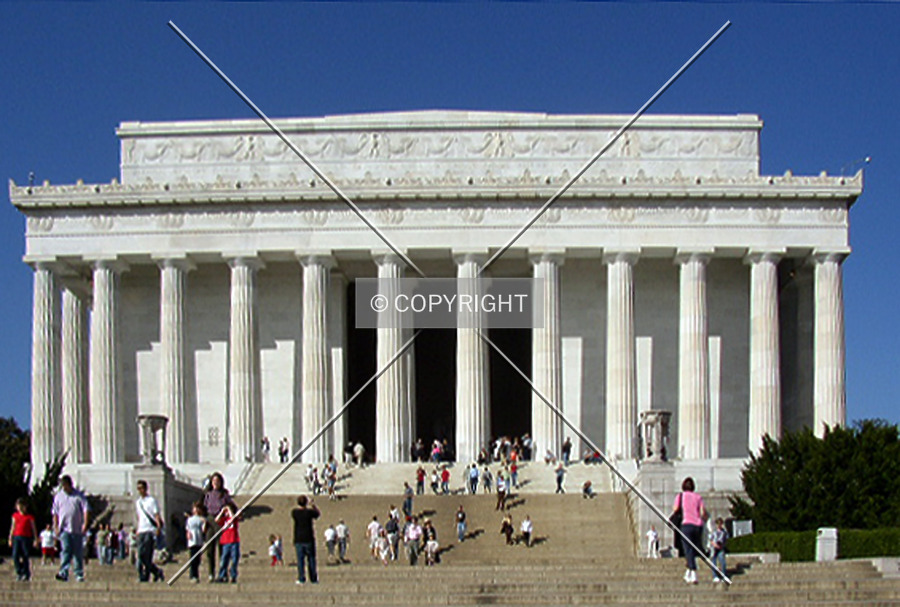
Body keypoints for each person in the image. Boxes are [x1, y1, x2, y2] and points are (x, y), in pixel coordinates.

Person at [52, 475, 89, 582]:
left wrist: (85, 524)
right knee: (66, 550)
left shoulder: (79, 496)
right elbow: (55, 513)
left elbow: (86, 510)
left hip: (77, 528)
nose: (64, 488)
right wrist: (56, 527)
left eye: (66, 485)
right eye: (63, 486)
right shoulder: (58, 496)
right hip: (64, 528)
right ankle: (63, 572)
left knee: (77, 552)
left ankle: (78, 573)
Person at [671, 476, 708, 584]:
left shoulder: (681, 496)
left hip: (686, 524)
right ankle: (688, 572)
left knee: (688, 549)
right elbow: (702, 513)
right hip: (698, 526)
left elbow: (675, 509)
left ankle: (694, 573)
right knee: (693, 548)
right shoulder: (698, 497)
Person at [203, 472, 236, 582]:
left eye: (217, 481)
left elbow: (232, 506)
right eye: (214, 481)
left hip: (220, 521)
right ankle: (211, 573)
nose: (215, 483)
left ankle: (223, 573)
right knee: (209, 549)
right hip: (210, 521)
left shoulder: (224, 494)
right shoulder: (207, 495)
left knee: (222, 549)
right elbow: (203, 508)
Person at [134, 480, 165, 582]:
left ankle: (145, 577)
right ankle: (156, 572)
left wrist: (158, 528)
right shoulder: (138, 502)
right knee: (140, 556)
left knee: (147, 556)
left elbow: (156, 515)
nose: (140, 491)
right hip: (141, 530)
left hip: (150, 530)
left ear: (146, 488)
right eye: (138, 488)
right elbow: (139, 517)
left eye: (141, 488)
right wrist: (137, 530)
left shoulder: (151, 500)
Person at [292, 495, 320, 584]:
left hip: (299, 539)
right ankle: (313, 578)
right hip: (309, 538)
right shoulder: (309, 512)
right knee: (311, 559)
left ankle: (301, 578)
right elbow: (317, 514)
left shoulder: (295, 512)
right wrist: (312, 504)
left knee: (300, 560)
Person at [9, 497, 39, 581]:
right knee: (15, 555)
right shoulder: (15, 516)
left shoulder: (30, 517)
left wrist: (36, 539)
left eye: (22, 506)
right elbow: (13, 527)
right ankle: (19, 572)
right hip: (17, 537)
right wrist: (10, 538)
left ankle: (26, 572)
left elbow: (34, 529)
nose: (21, 508)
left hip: (26, 537)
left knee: (25, 555)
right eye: (19, 506)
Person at [215, 503, 241, 583]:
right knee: (224, 560)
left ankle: (233, 575)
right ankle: (222, 575)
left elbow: (233, 518)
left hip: (234, 541)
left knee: (234, 560)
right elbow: (216, 520)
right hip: (225, 542)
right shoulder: (224, 520)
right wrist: (222, 511)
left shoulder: (234, 518)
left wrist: (229, 509)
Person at [185, 502, 207, 583]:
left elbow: (203, 530)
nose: (196, 510)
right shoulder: (190, 519)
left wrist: (204, 522)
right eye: (195, 508)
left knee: (198, 559)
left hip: (199, 540)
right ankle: (192, 575)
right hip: (192, 540)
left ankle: (196, 575)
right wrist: (188, 534)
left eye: (198, 508)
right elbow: (188, 528)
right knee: (193, 558)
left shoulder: (201, 519)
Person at [710, 518, 728, 582]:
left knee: (722, 562)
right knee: (714, 562)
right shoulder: (714, 531)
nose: (719, 525)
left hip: (720, 548)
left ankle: (723, 575)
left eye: (720, 524)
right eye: (718, 524)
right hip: (714, 549)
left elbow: (726, 540)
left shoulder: (724, 532)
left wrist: (721, 545)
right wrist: (714, 544)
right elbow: (711, 539)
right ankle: (715, 576)